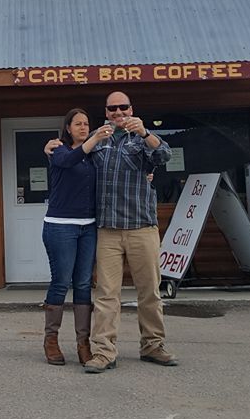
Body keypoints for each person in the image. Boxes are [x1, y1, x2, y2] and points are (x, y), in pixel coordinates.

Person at [84, 90, 176, 373]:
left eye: (123, 107)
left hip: (141, 227)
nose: (118, 112)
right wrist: (52, 149)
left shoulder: (141, 137)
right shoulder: (98, 138)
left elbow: (165, 155)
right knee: (106, 294)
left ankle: (153, 346)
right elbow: (76, 159)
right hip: (108, 229)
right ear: (106, 112)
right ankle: (103, 352)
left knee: (149, 292)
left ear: (131, 109)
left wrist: (145, 133)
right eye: (112, 108)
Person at [38, 108, 112, 366]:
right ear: (68, 128)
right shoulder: (58, 149)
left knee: (83, 284)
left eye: (86, 124)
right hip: (60, 226)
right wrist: (95, 138)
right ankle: (51, 340)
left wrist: (146, 175)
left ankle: (83, 344)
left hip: (88, 226)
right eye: (78, 124)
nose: (83, 127)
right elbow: (69, 160)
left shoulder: (94, 156)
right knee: (61, 282)